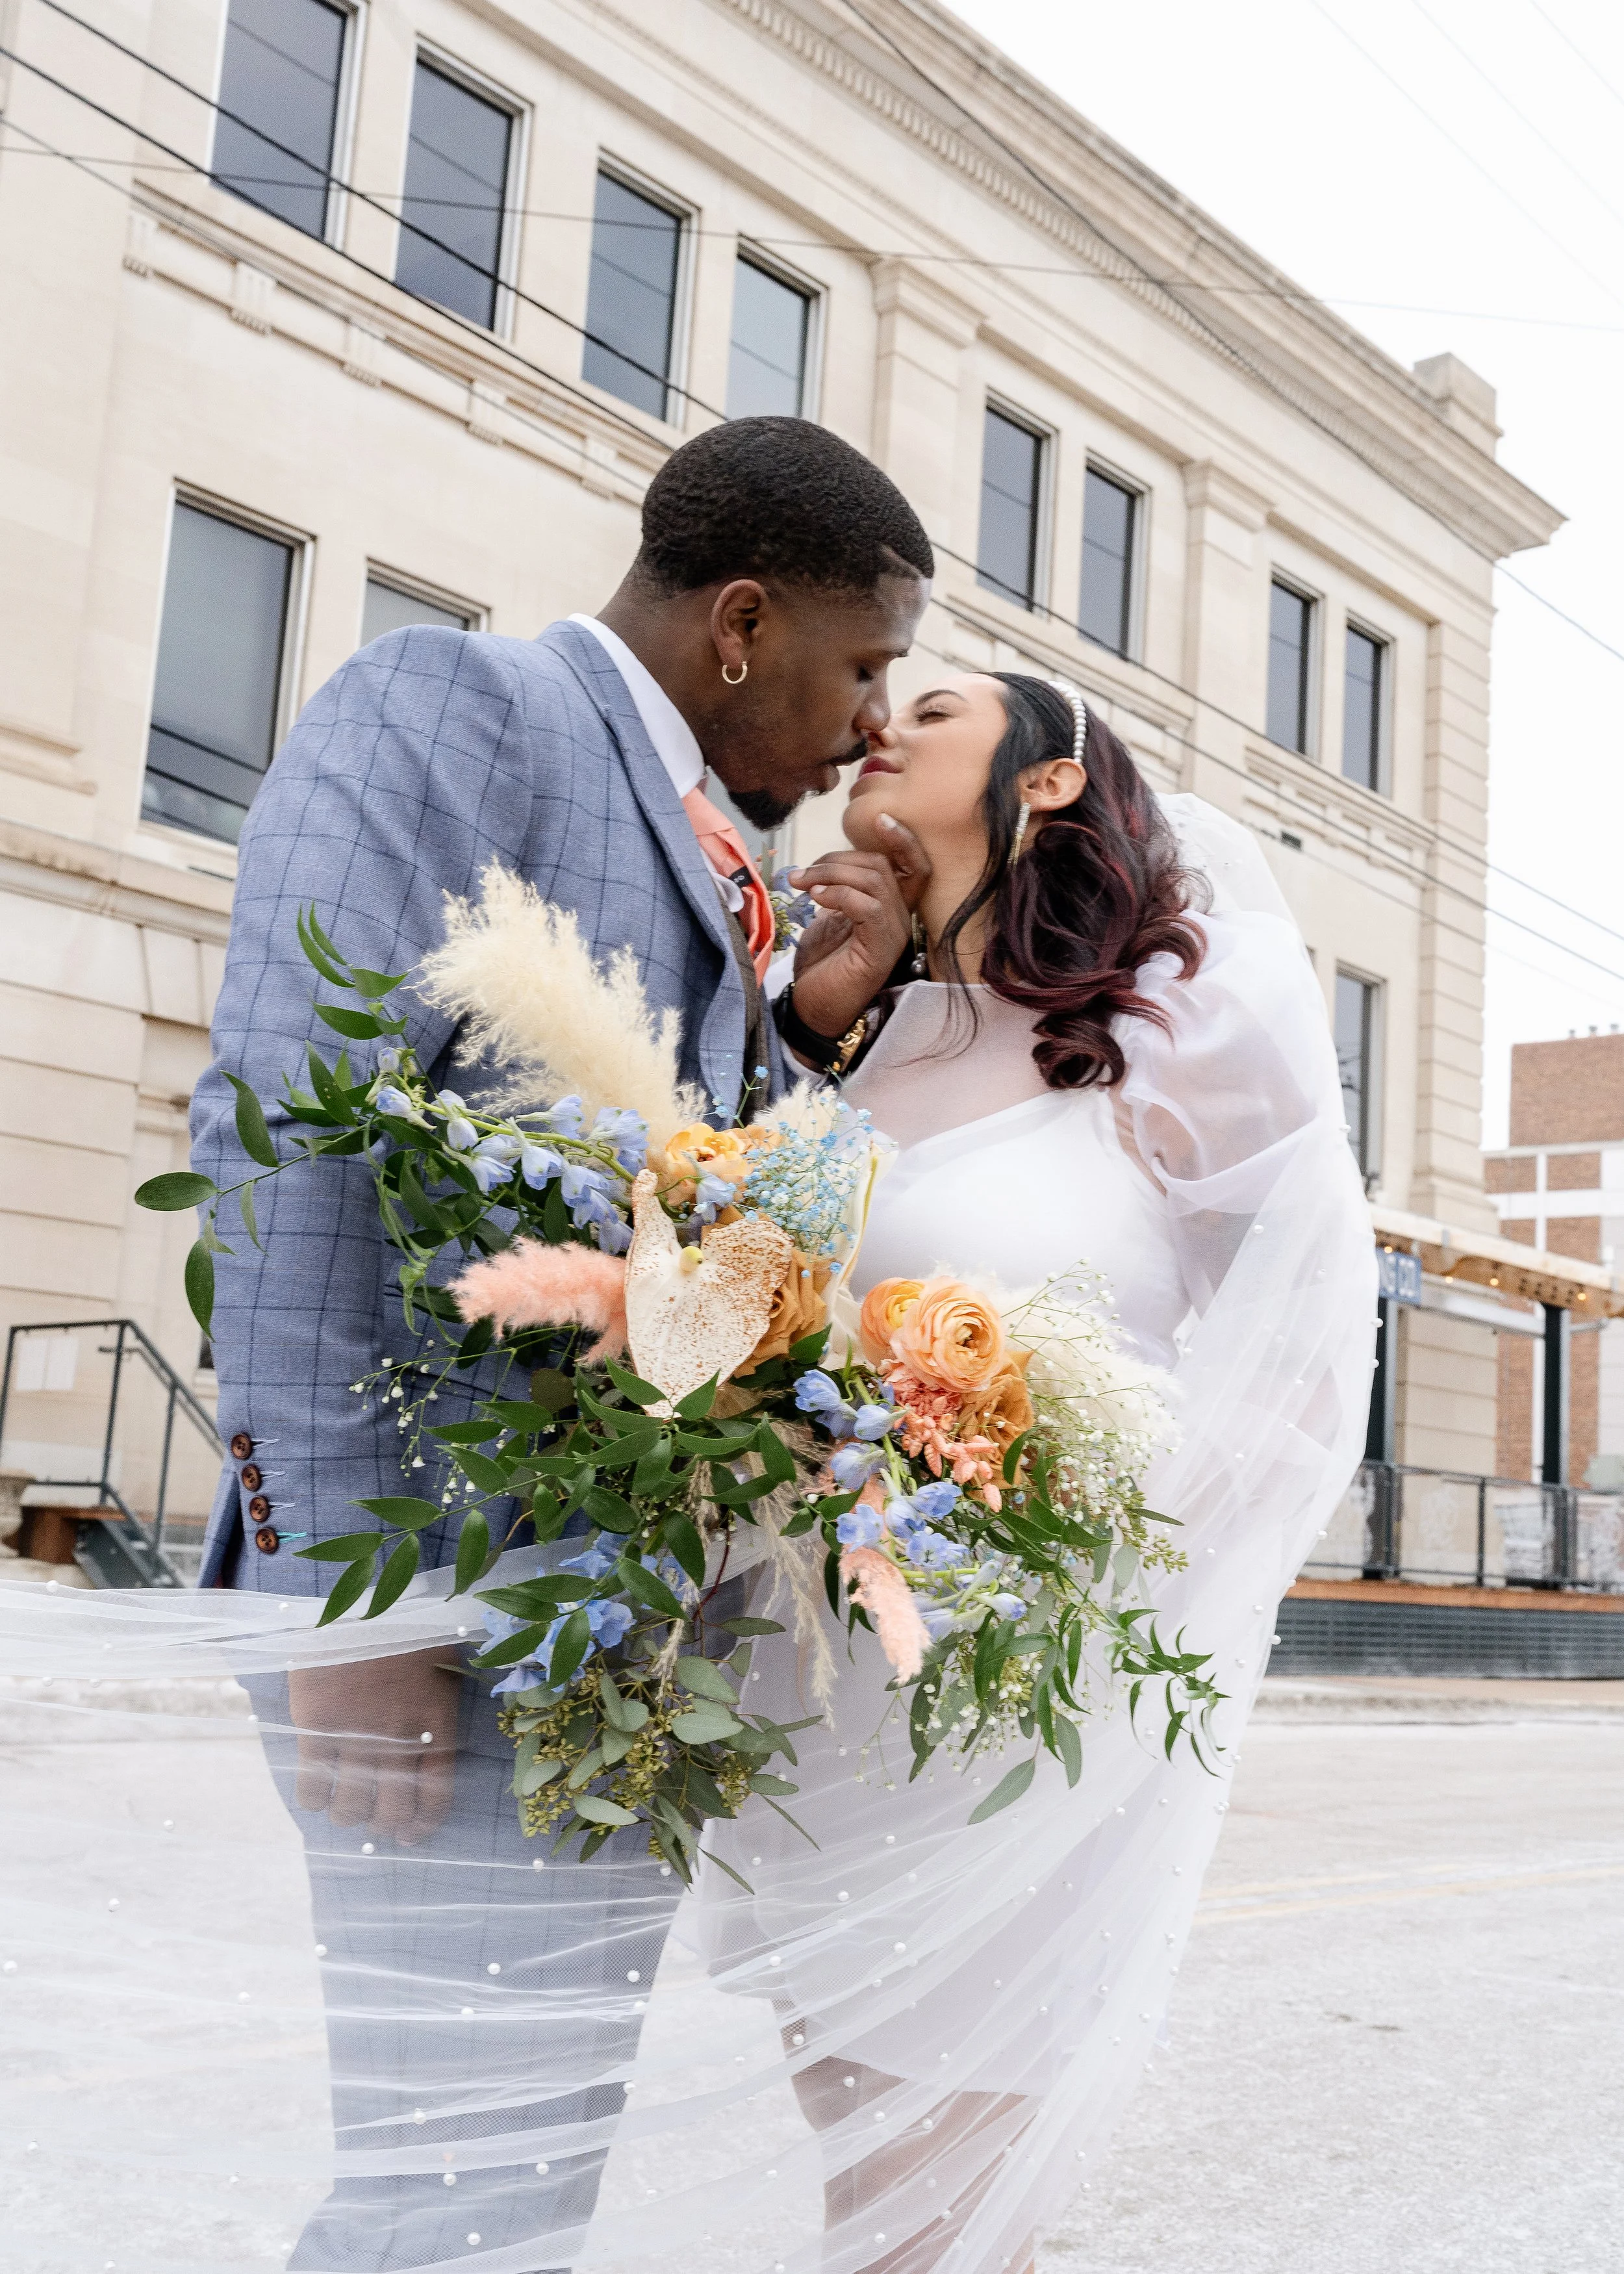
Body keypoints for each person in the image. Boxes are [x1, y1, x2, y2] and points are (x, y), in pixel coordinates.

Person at [187, 416, 933, 2268]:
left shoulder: (703, 836)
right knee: (455, 2196)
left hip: (601, 1641)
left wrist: (805, 1041)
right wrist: (345, 1613)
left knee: (515, 2179)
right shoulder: (456, 707)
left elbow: (667, 1226)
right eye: (863, 668)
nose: (866, 729)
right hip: (423, 1613)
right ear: (742, 622)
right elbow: (288, 1114)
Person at [696, 671, 1375, 2273]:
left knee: (934, 2216)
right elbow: (710, 1324)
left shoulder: (1165, 1030)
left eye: (926, 707)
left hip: (1013, 1694)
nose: (876, 721)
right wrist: (803, 1029)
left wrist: (1082, 1540)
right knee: (858, 2171)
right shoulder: (856, 1031)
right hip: (819, 1696)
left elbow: (1301, 1340)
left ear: (1048, 781)